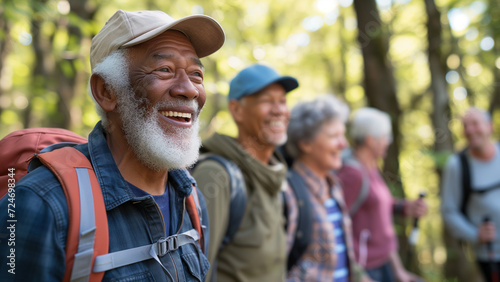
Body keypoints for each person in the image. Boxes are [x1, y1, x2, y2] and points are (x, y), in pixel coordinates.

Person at [0, 9, 224, 280]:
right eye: (164, 69)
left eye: (196, 74)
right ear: (107, 91)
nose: (189, 89)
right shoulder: (43, 204)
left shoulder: (191, 200)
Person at [190, 63, 298, 281]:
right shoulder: (216, 175)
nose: (279, 110)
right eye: (267, 101)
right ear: (236, 110)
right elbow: (198, 271)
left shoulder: (273, 173)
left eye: (282, 101)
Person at [283, 96, 373, 282]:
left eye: (343, 135)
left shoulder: (334, 186)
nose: (344, 144)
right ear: (305, 143)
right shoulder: (289, 193)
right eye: (334, 136)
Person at [337, 107, 427, 282]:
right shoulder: (352, 174)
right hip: (365, 269)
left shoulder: (371, 168)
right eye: (386, 137)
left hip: (384, 264)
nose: (389, 142)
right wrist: (358, 274)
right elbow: (337, 224)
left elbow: (380, 214)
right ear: (371, 140)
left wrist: (406, 208)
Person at [441, 107, 500, 282]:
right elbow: (448, 211)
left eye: (475, 124)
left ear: (490, 126)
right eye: (465, 126)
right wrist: (474, 234)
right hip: (491, 255)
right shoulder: (457, 165)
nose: (470, 130)